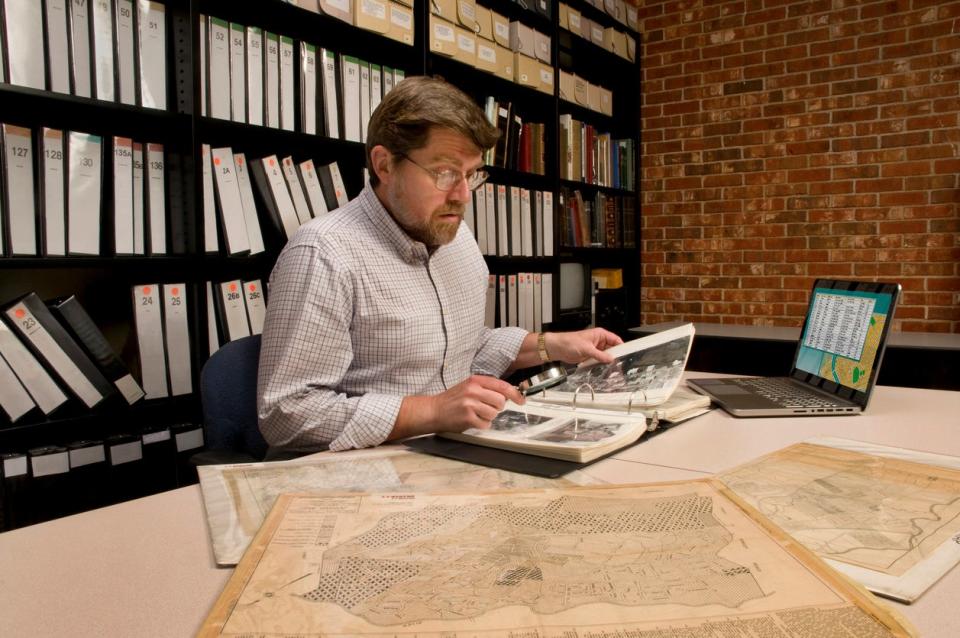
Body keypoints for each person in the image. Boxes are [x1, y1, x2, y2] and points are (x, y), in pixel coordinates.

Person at [257, 76, 622, 455]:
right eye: (445, 173)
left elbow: (461, 348)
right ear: (384, 164)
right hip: (364, 475)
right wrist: (431, 410)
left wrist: (551, 345)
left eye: (471, 174)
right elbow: (286, 414)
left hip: (451, 454)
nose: (463, 195)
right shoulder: (323, 253)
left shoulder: (456, 239)